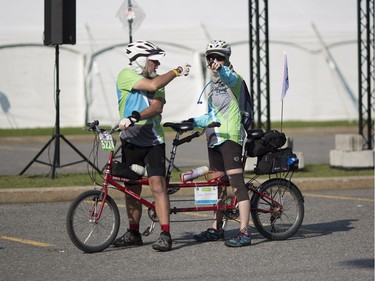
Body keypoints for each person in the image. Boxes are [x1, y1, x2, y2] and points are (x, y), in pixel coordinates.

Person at [113, 40, 191, 252]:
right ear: (139, 61)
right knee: (132, 189)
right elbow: (150, 86)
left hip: (153, 141)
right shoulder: (126, 75)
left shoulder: (160, 81)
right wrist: (177, 71)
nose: (157, 65)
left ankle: (165, 234)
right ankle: (133, 232)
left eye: (158, 61)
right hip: (130, 140)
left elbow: (156, 107)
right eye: (153, 61)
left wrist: (136, 116)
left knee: (158, 186)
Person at [187, 40, 252, 247]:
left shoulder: (235, 80)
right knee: (218, 187)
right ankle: (216, 228)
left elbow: (228, 76)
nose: (214, 61)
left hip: (230, 137)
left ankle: (244, 232)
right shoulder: (212, 88)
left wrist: (220, 69)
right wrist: (192, 122)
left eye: (219, 57)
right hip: (214, 138)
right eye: (210, 57)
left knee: (237, 185)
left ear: (227, 59)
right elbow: (210, 116)